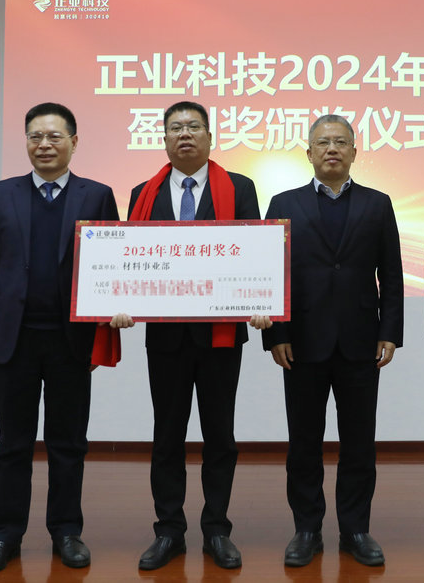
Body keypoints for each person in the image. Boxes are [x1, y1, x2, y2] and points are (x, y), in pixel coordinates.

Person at [0, 102, 119, 576]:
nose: (45, 144)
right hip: (14, 339)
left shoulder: (98, 195)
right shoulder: (1, 194)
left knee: (68, 443)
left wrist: (113, 314)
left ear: (74, 142)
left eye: (55, 136)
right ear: (26, 142)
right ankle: (5, 535)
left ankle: (66, 532)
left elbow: (114, 263)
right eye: (36, 136)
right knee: (12, 444)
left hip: (70, 341)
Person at [110, 101, 260, 571]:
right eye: (175, 127)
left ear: (210, 137)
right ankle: (169, 531)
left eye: (194, 126)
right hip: (167, 339)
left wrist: (261, 300)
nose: (185, 134)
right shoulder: (143, 193)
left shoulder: (239, 188)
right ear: (164, 139)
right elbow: (129, 259)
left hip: (221, 336)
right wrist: (121, 301)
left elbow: (255, 254)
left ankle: (217, 529)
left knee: (220, 436)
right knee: (167, 436)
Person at [256, 114, 403, 568]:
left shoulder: (378, 204)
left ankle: (356, 529)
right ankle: (307, 529)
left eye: (341, 142)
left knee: (360, 443)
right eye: (323, 143)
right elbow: (269, 273)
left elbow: (392, 275)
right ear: (309, 153)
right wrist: (276, 334)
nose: (332, 149)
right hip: (301, 343)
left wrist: (389, 332)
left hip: (361, 342)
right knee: (303, 442)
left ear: (355, 152)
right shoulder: (284, 203)